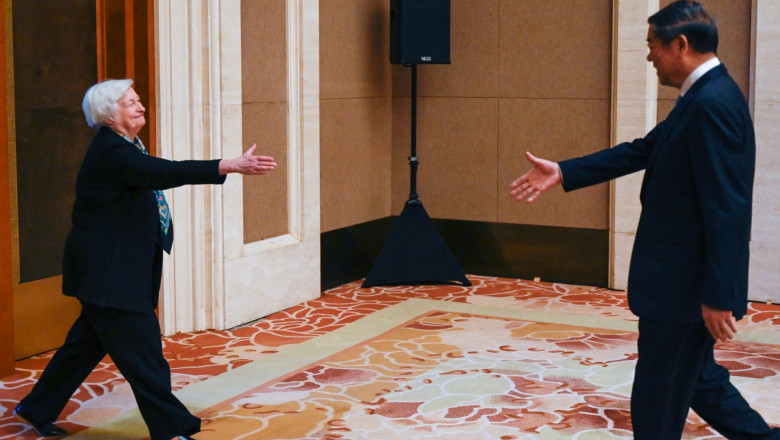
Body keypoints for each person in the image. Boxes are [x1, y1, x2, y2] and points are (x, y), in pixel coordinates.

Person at [509, 2, 779, 439]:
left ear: (681, 45)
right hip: (680, 284)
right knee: (697, 379)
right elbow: (643, 149)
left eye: (652, 46)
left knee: (658, 391)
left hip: (686, 287)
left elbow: (727, 208)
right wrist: (563, 171)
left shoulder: (712, 102)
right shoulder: (703, 96)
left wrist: (716, 295)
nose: (649, 56)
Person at [13, 79, 277, 439]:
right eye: (130, 102)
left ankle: (36, 407)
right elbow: (164, 172)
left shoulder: (125, 146)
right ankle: (171, 428)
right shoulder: (112, 152)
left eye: (139, 100)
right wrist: (227, 164)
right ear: (109, 113)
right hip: (110, 276)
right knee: (145, 356)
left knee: (83, 346)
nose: (141, 107)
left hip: (112, 271)